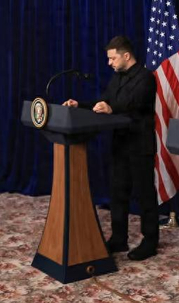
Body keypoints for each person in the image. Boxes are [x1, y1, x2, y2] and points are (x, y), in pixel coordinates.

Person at [63, 35, 159, 261]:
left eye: (113, 58)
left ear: (126, 55)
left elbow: (134, 103)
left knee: (144, 194)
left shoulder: (146, 77)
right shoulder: (117, 78)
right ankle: (119, 238)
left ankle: (150, 241)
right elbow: (104, 102)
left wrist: (110, 108)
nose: (109, 63)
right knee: (118, 192)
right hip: (120, 143)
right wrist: (80, 105)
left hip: (140, 144)